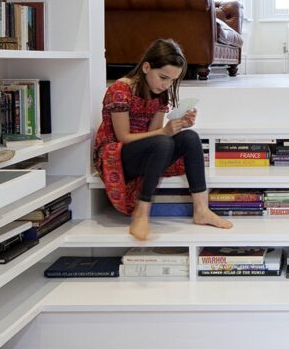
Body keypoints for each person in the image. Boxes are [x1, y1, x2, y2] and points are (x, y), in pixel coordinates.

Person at [93, 38, 232, 240]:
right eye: (163, 77)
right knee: (163, 141)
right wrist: (164, 133)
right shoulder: (120, 91)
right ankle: (142, 211)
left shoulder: (160, 93)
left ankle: (201, 209)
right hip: (116, 155)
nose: (166, 84)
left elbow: (156, 133)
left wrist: (179, 125)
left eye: (172, 81)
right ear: (147, 67)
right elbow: (123, 137)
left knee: (190, 137)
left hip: (147, 150)